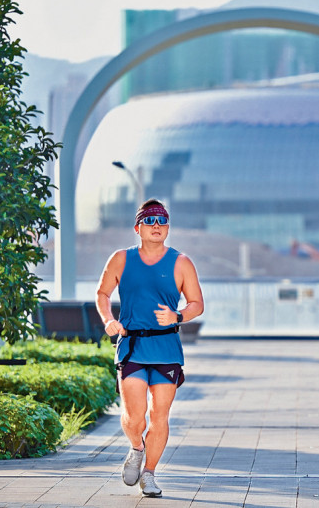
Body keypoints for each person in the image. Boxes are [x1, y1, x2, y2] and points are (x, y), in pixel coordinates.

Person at [96, 198, 204, 498]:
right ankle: (136, 447)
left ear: (168, 228)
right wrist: (108, 320)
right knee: (134, 417)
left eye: (162, 221)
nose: (157, 227)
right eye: (150, 221)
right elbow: (103, 293)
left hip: (166, 347)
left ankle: (150, 473)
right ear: (138, 227)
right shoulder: (121, 258)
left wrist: (178, 316)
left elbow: (197, 303)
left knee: (159, 417)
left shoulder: (181, 262)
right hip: (132, 345)